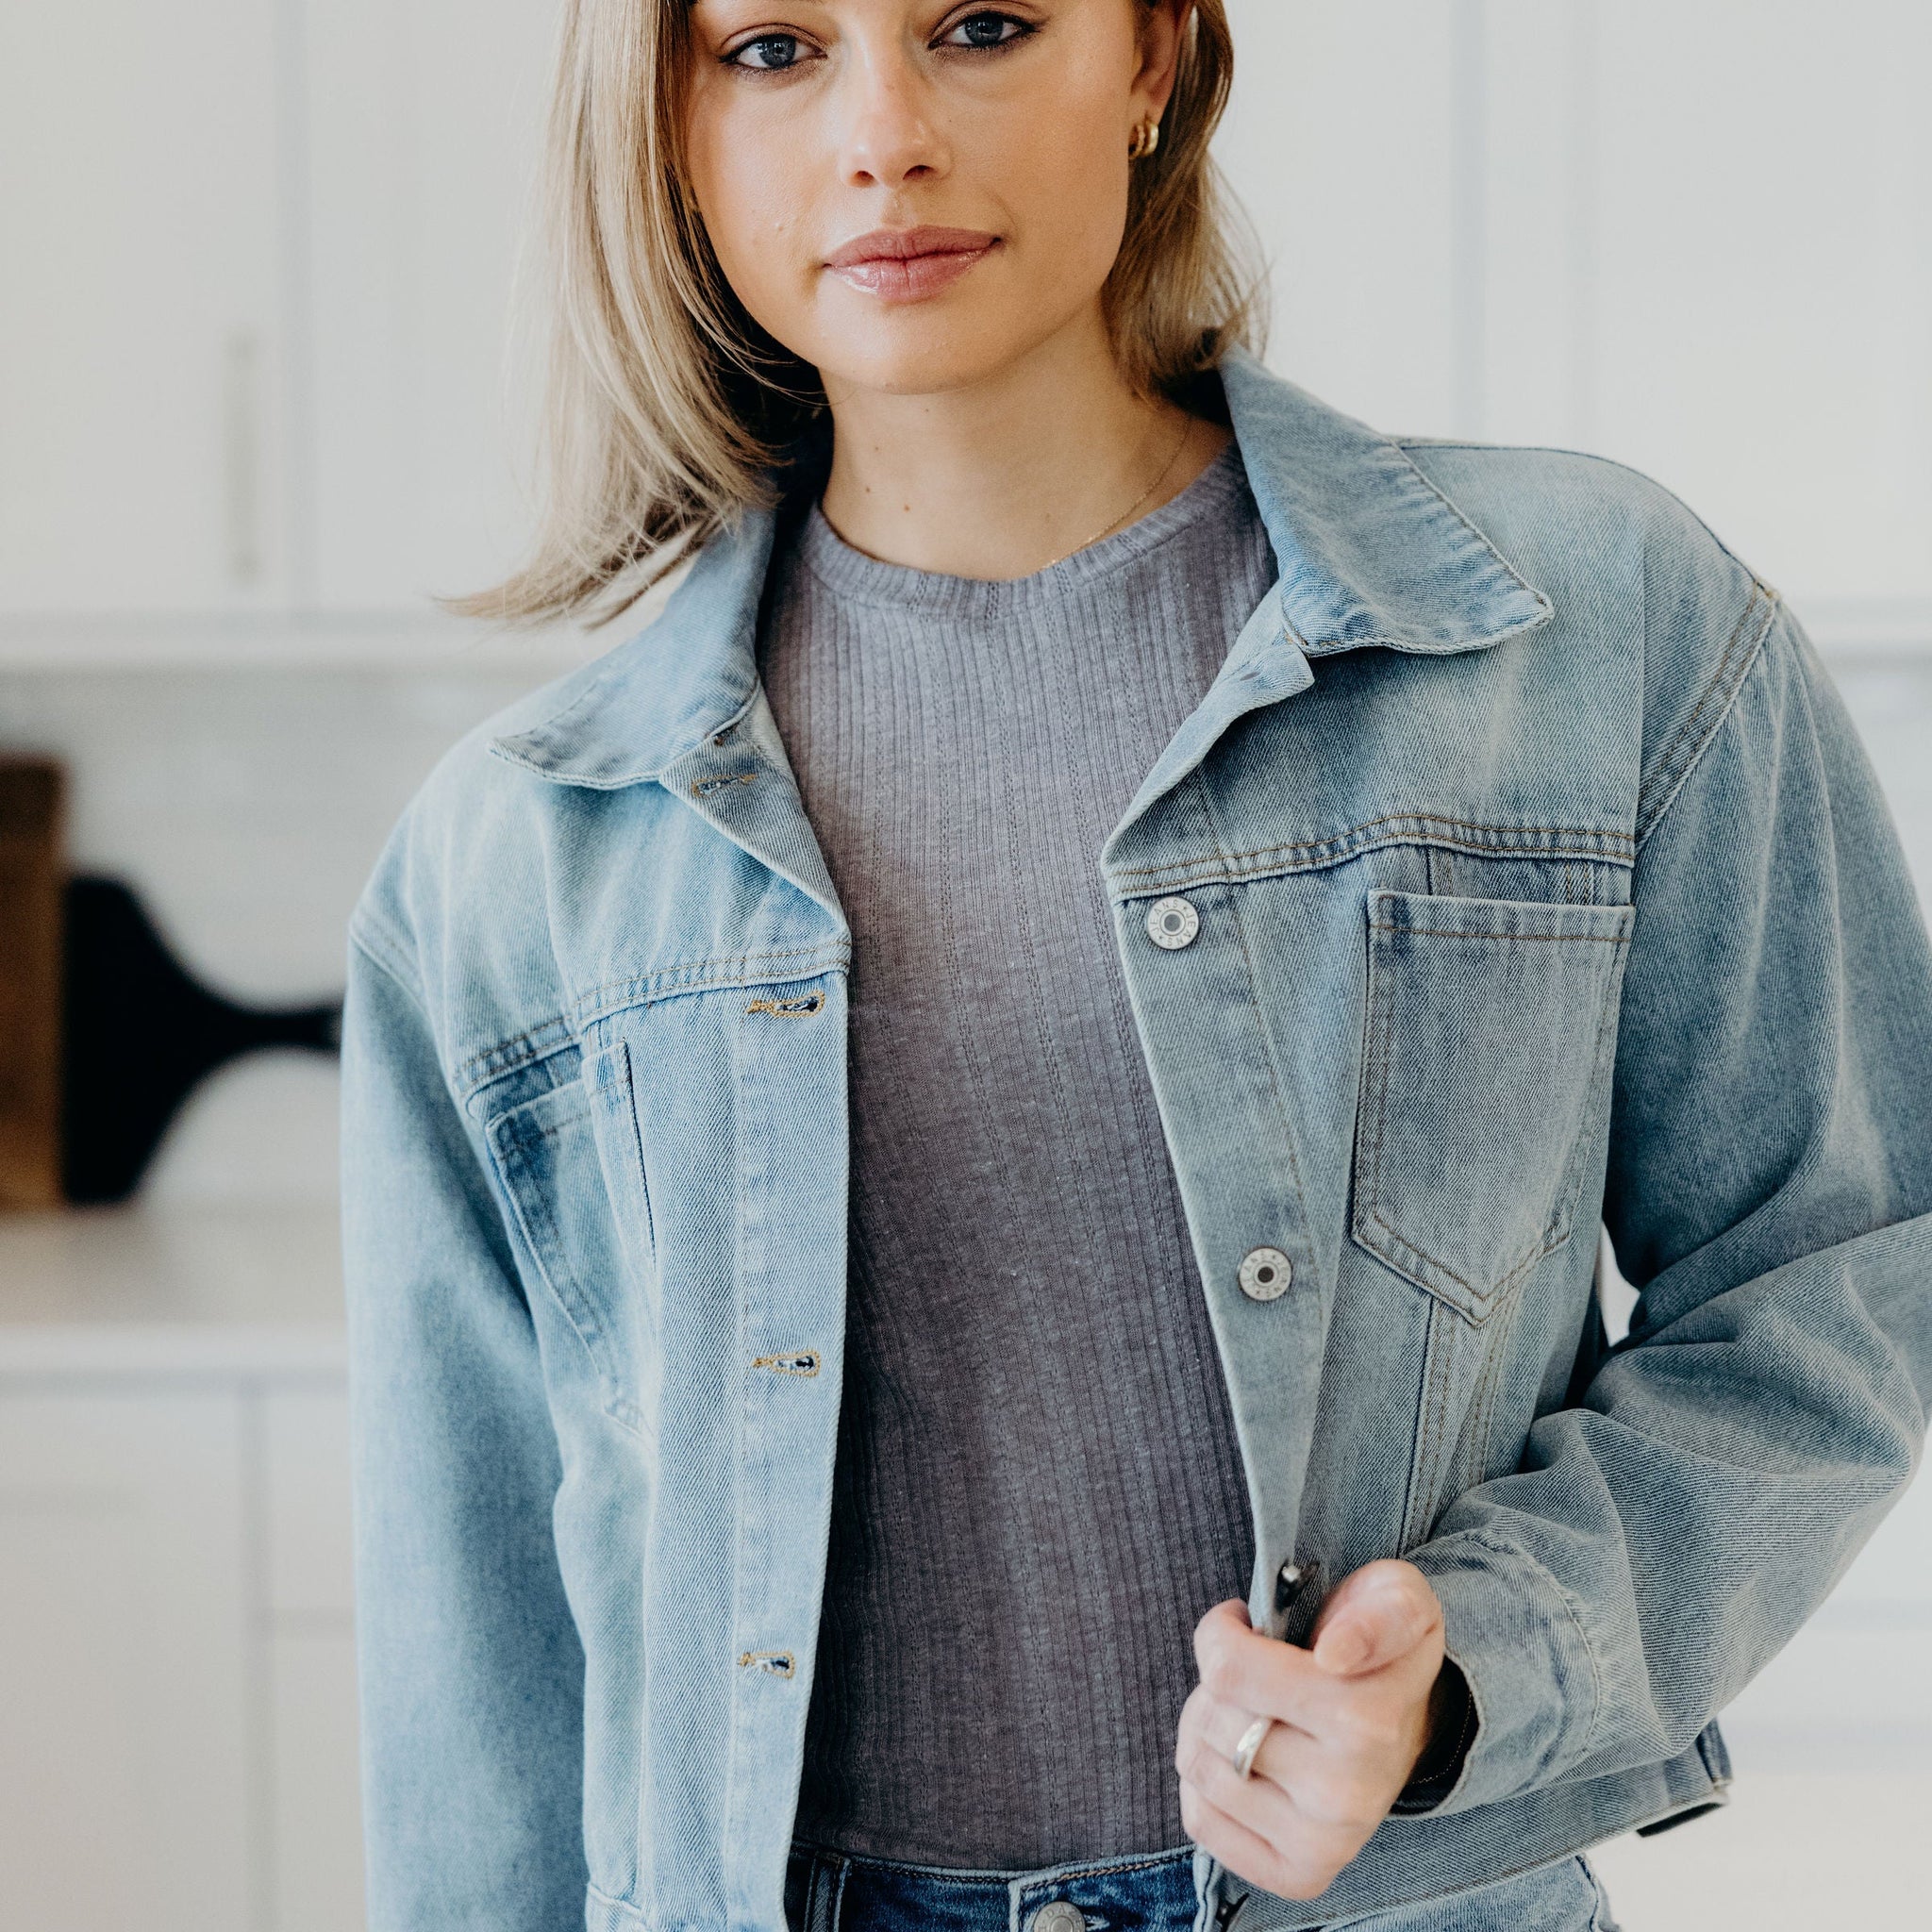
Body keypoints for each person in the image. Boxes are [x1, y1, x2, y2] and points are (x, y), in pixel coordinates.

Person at [339, 4, 1932, 1930]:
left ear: (1156, 54)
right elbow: (484, 1657)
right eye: (772, 48)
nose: (883, 135)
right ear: (667, 123)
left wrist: (1473, 1658)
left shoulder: (1587, 635)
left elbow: (1838, 1270)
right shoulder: (513, 860)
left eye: (982, 25)